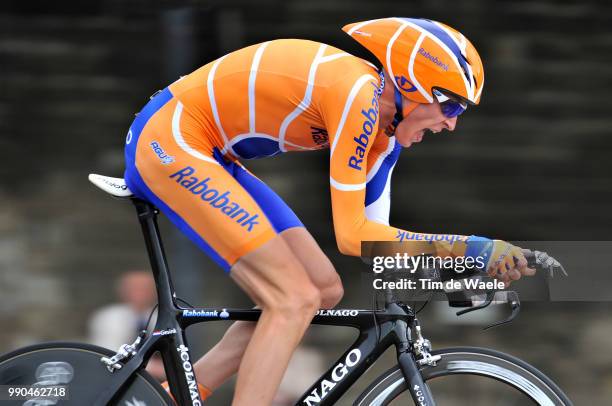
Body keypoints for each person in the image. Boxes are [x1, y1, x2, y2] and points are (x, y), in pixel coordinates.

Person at [123, 17, 534, 405]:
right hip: (172, 140)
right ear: (411, 85)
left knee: (322, 291)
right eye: (450, 106)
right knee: (293, 299)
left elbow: (376, 243)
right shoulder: (359, 97)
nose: (452, 124)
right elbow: (352, 235)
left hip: (211, 152)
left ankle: (168, 398)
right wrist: (473, 249)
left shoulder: (385, 140)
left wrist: (459, 271)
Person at [88, 270, 166, 381]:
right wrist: (154, 368)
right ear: (122, 291)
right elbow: (107, 352)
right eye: (134, 288)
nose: (140, 293)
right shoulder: (107, 317)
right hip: (113, 376)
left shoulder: (162, 318)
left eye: (145, 288)